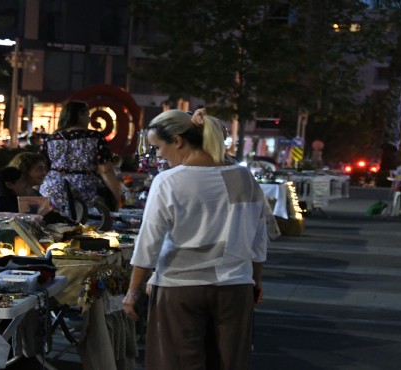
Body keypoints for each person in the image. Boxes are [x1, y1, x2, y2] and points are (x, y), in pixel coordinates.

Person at [122, 109, 268, 370]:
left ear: (177, 141)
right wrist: (256, 280)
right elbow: (258, 237)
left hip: (180, 287)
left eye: (158, 148)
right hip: (235, 287)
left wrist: (133, 290)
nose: (158, 156)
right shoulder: (243, 177)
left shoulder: (169, 181)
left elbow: (149, 241)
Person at [39, 100, 121, 215]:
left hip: (52, 190)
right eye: (87, 115)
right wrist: (117, 197)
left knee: (54, 227)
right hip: (85, 191)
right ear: (79, 115)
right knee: (85, 227)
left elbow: (42, 167)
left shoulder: (50, 139)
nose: (89, 119)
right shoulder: (95, 137)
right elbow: (105, 170)